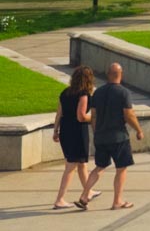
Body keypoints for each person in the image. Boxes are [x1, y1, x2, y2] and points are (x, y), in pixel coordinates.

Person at [76, 62, 144, 211]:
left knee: (99, 167)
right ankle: (117, 201)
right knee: (121, 168)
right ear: (121, 74)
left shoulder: (97, 93)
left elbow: (93, 116)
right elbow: (129, 114)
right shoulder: (123, 92)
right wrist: (138, 130)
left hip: (101, 137)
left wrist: (96, 132)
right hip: (119, 137)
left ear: (108, 75)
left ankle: (84, 195)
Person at [52, 66, 99, 210]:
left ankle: (88, 190)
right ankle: (59, 199)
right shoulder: (83, 94)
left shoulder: (65, 92)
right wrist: (95, 118)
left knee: (81, 164)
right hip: (77, 132)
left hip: (65, 130)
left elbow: (59, 113)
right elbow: (81, 116)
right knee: (71, 166)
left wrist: (55, 131)